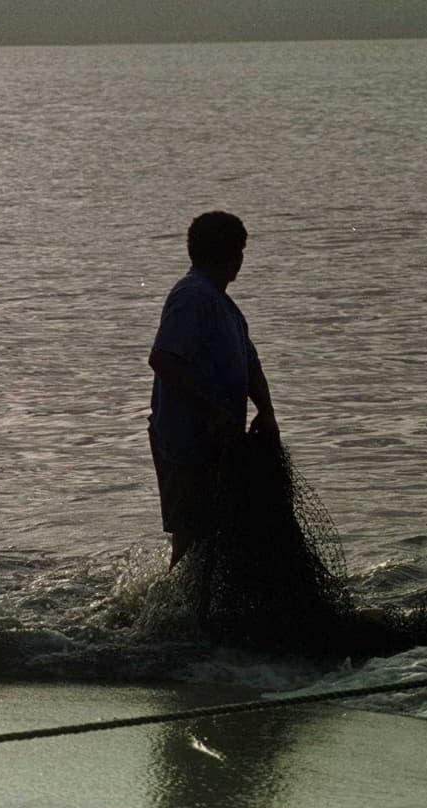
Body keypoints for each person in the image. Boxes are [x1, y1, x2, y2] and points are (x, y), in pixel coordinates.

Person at [148, 211, 277, 568]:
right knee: (192, 541)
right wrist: (213, 413)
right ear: (231, 253)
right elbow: (163, 359)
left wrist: (266, 413)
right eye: (240, 250)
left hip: (218, 447)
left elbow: (251, 366)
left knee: (213, 539)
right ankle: (170, 618)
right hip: (186, 445)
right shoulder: (192, 296)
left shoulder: (225, 306)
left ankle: (197, 614)